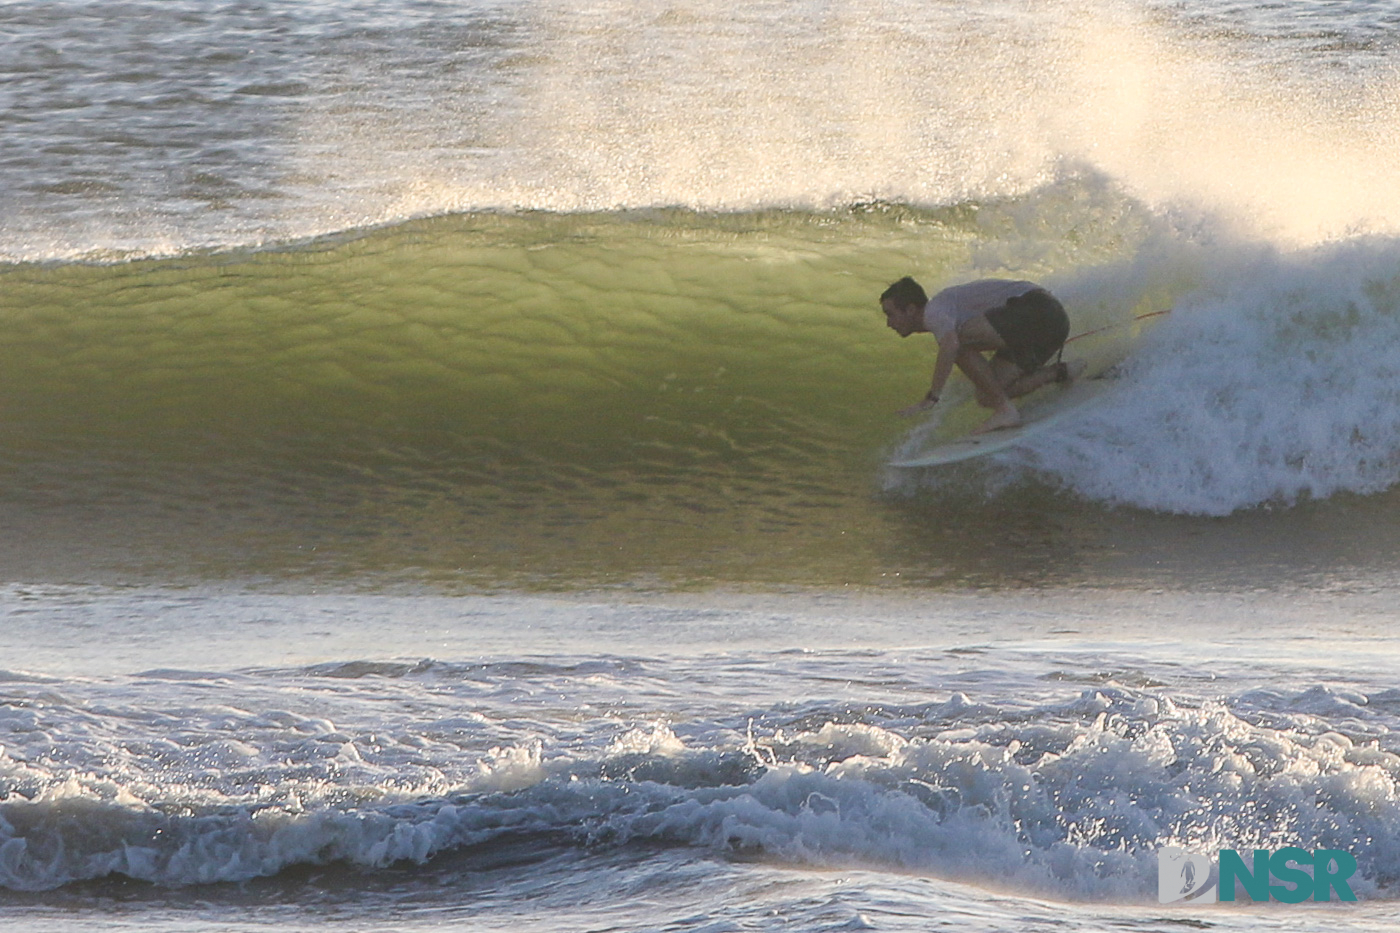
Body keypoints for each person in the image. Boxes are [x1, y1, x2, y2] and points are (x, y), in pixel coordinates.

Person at [879, 276, 1081, 434]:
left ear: (911, 309)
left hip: (1039, 309)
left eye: (890, 314)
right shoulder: (947, 316)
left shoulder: (934, 310)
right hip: (1052, 327)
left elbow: (951, 345)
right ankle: (1060, 372)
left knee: (956, 341)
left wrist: (932, 397)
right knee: (987, 395)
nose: (889, 323)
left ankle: (1005, 411)